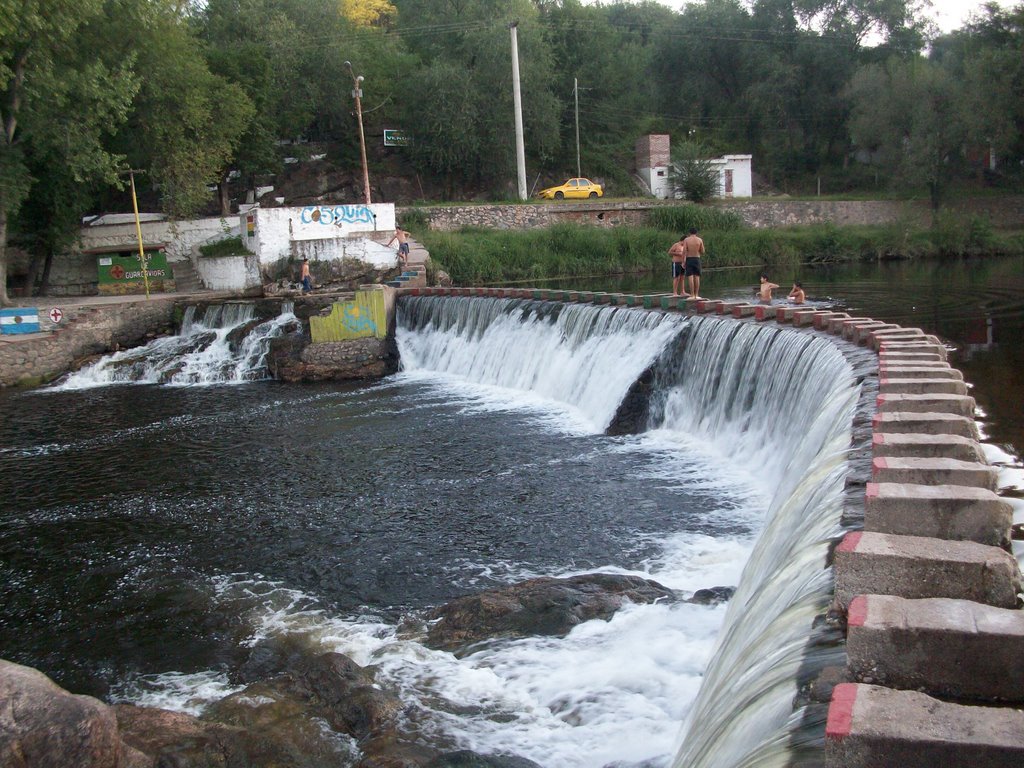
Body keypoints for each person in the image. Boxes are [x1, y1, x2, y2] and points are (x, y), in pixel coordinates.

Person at [681, 228, 705, 299]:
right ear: (696, 232)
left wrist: (683, 261)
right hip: (697, 259)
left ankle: (692, 295)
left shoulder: (686, 240)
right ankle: (697, 295)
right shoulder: (700, 240)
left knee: (690, 276)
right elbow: (703, 251)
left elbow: (684, 251)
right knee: (697, 276)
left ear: (689, 233)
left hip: (689, 259)